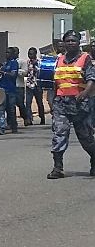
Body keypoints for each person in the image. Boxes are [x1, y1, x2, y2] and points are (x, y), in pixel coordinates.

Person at [46, 30, 95, 179]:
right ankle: (57, 167)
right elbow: (53, 83)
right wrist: (51, 101)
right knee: (59, 134)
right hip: (61, 103)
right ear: (64, 43)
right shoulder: (59, 60)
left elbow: (92, 79)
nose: (70, 43)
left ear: (79, 43)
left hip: (80, 104)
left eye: (73, 40)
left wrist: (85, 93)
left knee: (86, 138)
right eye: (68, 40)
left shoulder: (85, 58)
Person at [0, 47, 20, 133]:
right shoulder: (5, 63)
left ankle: (14, 126)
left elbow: (13, 75)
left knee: (11, 109)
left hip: (11, 90)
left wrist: (4, 72)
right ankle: (2, 127)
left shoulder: (14, 63)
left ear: (12, 54)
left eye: (8, 52)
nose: (6, 54)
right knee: (2, 108)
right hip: (3, 89)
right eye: (6, 52)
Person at [25, 47, 46, 125]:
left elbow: (41, 72)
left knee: (39, 103)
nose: (30, 55)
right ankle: (29, 119)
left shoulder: (40, 62)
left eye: (31, 54)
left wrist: (35, 65)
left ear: (35, 54)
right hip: (29, 85)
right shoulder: (27, 62)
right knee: (28, 103)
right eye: (29, 54)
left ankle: (42, 118)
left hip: (38, 85)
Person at [14, 47, 30, 126]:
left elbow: (25, 73)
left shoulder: (22, 62)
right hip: (11, 86)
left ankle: (25, 117)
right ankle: (13, 121)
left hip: (19, 86)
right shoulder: (8, 62)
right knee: (11, 105)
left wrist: (16, 70)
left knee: (20, 104)